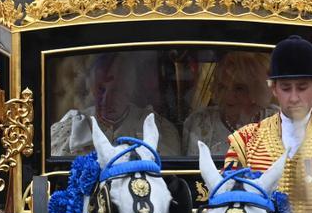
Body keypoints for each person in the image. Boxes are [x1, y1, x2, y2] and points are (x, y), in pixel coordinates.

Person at [224, 36, 312, 210]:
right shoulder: (245, 141)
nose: (294, 97)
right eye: (286, 88)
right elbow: (228, 204)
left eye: (302, 87)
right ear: (273, 88)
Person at [49, 51, 182, 157]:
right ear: (91, 88)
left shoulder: (159, 130)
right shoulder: (67, 130)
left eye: (116, 90)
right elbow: (43, 181)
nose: (106, 99)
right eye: (101, 89)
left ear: (130, 90)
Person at [182, 51, 275, 158]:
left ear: (256, 90)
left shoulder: (277, 121)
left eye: (239, 88)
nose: (228, 96)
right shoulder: (200, 121)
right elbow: (190, 171)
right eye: (222, 87)